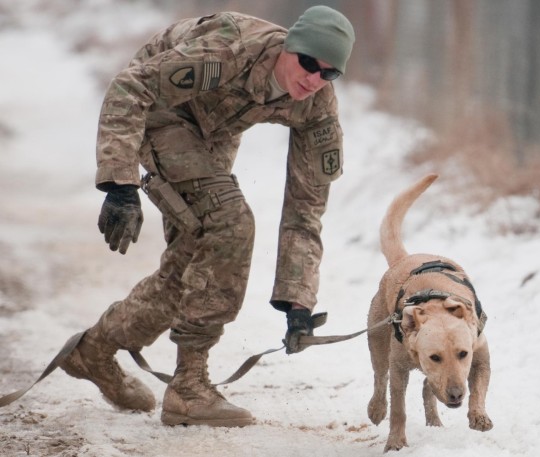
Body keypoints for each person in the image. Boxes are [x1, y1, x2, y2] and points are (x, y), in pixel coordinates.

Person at [57, 5, 355, 427]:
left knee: (193, 264)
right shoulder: (231, 49)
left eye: (329, 73)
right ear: (289, 48)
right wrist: (119, 183)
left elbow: (306, 207)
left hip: (212, 133)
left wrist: (298, 299)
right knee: (231, 223)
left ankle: (94, 351)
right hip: (157, 110)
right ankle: (189, 387)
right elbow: (130, 87)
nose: (313, 79)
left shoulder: (317, 106)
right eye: (308, 63)